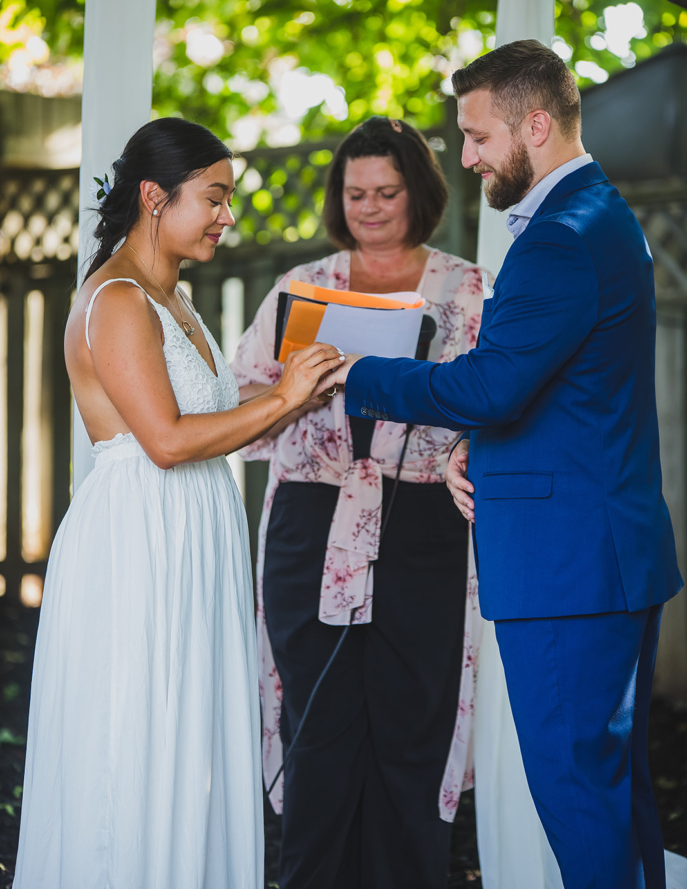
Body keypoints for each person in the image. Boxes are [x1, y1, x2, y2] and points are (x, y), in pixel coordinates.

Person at [322, 41, 684, 889]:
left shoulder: (559, 237)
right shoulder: (597, 215)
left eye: (478, 136)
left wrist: (353, 371)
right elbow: (567, 395)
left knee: (574, 791)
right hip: (602, 555)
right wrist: (471, 450)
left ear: (535, 123)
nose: (466, 155)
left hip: (568, 570)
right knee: (609, 786)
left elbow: (493, 385)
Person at [13, 118, 342, 889]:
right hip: (139, 542)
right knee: (138, 736)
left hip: (192, 531)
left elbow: (205, 414)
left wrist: (301, 389)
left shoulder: (176, 297)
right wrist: (285, 397)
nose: (228, 216)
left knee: (190, 735)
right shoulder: (119, 300)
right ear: (155, 197)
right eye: (215, 198)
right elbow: (164, 439)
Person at [230, 116, 487, 889]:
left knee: (414, 713)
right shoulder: (301, 287)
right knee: (318, 718)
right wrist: (293, 383)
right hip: (313, 520)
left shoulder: (467, 286)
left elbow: (495, 400)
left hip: (424, 523)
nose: (369, 207)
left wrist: (470, 444)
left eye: (386, 192)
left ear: (420, 193)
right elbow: (242, 401)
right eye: (354, 194)